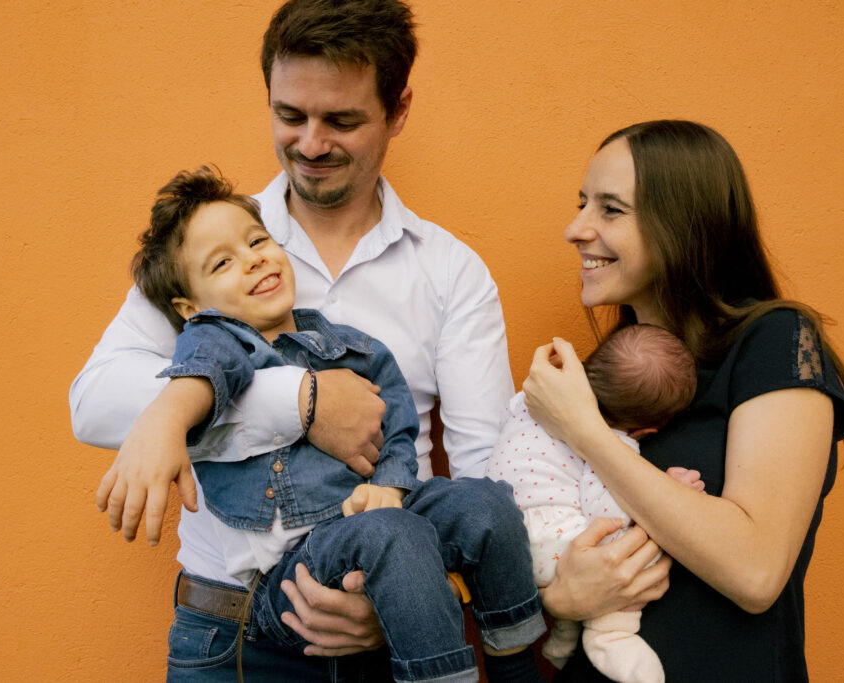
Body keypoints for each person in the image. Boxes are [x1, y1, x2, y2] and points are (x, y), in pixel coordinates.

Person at [70, 1, 593, 680]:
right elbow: (95, 405)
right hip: (233, 641)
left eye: (341, 121)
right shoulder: (206, 250)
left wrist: (410, 592)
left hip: (394, 633)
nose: (311, 144)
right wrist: (301, 400)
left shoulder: (449, 272)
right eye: (290, 115)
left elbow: (483, 468)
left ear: (397, 112)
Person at [115, 165, 544, 682]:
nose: (253, 259)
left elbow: (397, 421)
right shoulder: (217, 340)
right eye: (223, 262)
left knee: (485, 502)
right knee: (392, 532)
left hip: (374, 525)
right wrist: (164, 422)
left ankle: (514, 661)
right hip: (288, 572)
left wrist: (390, 485)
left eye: (257, 241)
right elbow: (201, 378)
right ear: (191, 307)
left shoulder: (347, 344)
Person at [521, 120, 844, 681]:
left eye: (610, 209)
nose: (575, 229)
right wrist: (561, 600)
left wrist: (586, 432)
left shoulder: (774, 341)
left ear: (682, 224)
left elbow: (755, 571)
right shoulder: (618, 373)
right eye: (582, 204)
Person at [487, 323, 702, 683]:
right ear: (647, 431)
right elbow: (607, 512)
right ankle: (610, 635)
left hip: (502, 532)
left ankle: (564, 638)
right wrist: (669, 489)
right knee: (633, 551)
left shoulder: (535, 396)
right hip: (548, 540)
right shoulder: (614, 443)